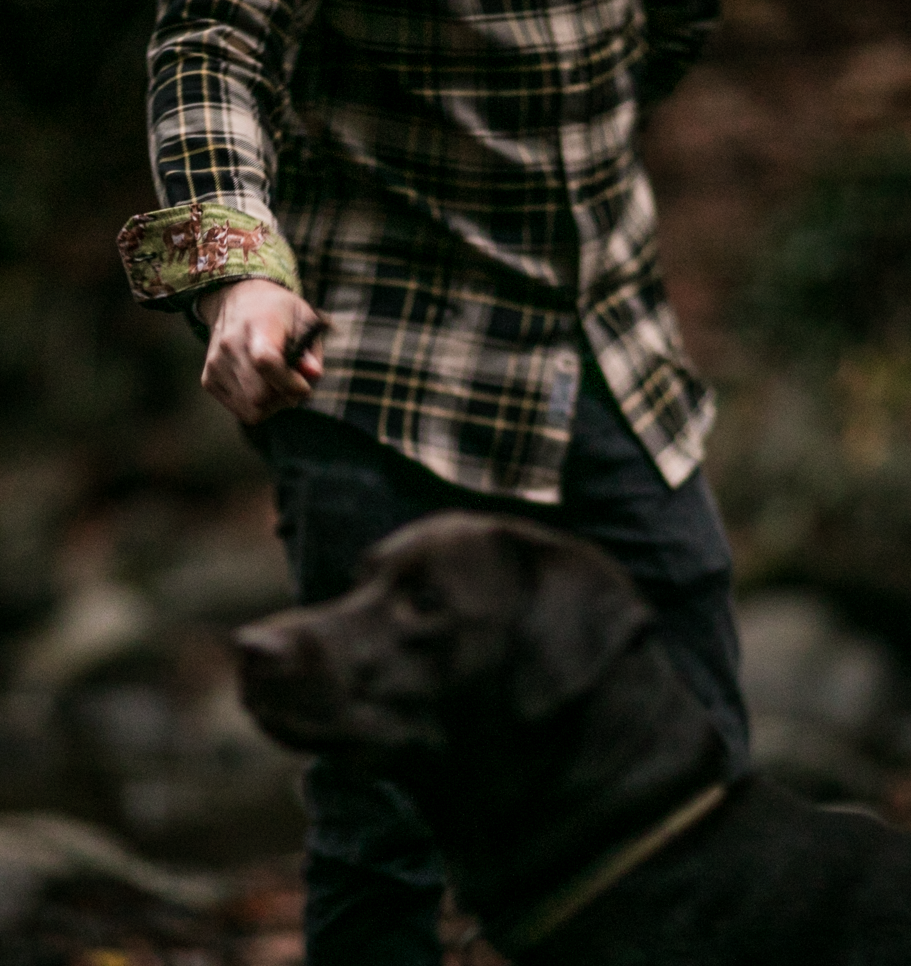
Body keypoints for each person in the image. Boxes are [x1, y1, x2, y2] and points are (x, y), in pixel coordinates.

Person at [116, 2, 746, 963]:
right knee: (384, 822)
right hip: (385, 357)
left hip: (611, 347)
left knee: (703, 772)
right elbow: (212, 42)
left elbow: (670, 29)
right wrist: (237, 271)